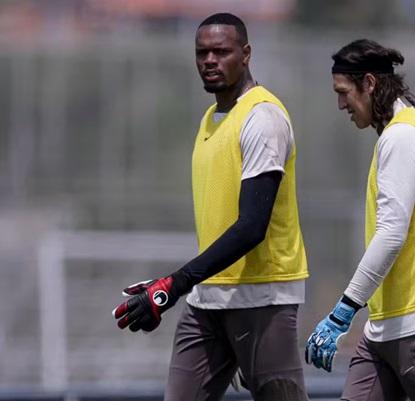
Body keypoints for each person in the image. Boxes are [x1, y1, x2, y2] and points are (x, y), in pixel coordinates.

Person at [112, 13, 309, 401]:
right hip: (208, 300)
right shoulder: (211, 118)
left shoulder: (262, 118)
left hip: (261, 299)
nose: (210, 60)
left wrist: (173, 285)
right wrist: (173, 286)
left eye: (221, 51)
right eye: (202, 52)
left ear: (246, 54)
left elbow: (252, 227)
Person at [305, 39, 415, 401]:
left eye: (343, 92)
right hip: (385, 329)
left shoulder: (402, 137)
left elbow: (391, 234)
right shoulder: (404, 132)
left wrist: (343, 311)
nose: (340, 105)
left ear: (369, 84)